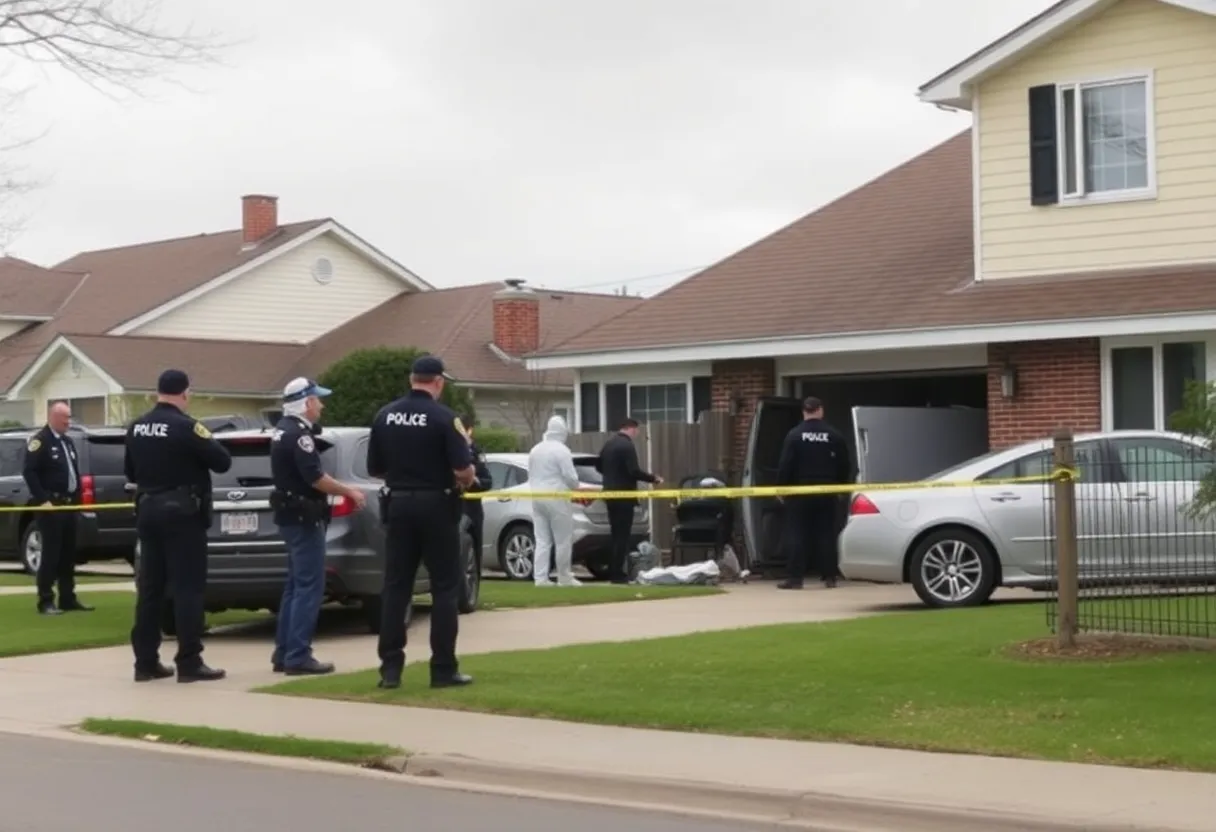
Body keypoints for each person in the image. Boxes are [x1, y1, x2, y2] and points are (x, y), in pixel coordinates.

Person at [366, 355, 476, 690]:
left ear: (412, 379)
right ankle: (443, 668)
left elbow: (375, 468)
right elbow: (462, 470)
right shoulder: (445, 418)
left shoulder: (385, 416)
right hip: (437, 505)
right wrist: (468, 476)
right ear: (438, 382)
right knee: (444, 587)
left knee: (396, 586)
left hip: (398, 504)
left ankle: (390, 668)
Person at [125, 369, 233, 683]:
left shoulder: (136, 427)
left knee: (150, 589)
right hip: (182, 513)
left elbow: (130, 471)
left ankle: (145, 662)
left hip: (147, 510)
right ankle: (189, 661)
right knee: (188, 588)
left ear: (157, 392)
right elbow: (222, 460)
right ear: (185, 393)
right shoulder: (187, 427)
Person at [269, 378, 367, 676]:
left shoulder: (281, 432)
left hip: (290, 516)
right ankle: (298, 655)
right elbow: (316, 478)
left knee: (295, 585)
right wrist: (349, 491)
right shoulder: (300, 436)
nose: (321, 405)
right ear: (306, 402)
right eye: (317, 400)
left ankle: (284, 651)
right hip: (303, 517)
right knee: (310, 587)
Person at [775, 397, 853, 590]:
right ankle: (830, 577)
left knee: (797, 534)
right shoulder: (834, 435)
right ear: (820, 410)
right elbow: (845, 464)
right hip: (827, 491)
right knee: (826, 534)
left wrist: (781, 488)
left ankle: (795, 578)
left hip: (799, 492)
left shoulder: (794, 435)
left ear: (804, 412)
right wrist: (842, 487)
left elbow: (785, 465)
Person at [22, 401, 91, 615]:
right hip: (50, 505)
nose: (68, 422)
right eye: (65, 418)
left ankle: (67, 598)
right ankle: (45, 600)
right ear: (53, 417)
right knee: (51, 554)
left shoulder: (68, 443)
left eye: (69, 417)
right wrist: (43, 499)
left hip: (68, 505)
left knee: (68, 554)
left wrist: (78, 499)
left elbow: (73, 473)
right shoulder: (40, 442)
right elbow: (29, 472)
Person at [597, 418, 661, 584]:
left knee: (615, 534)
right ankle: (618, 574)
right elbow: (633, 470)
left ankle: (614, 571)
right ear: (630, 429)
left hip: (609, 495)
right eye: (636, 430)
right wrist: (653, 478)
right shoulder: (627, 446)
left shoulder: (609, 444)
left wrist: (611, 475)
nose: (637, 433)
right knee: (623, 536)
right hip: (624, 496)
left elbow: (598, 466)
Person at [527, 415, 581, 587]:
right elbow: (571, 478)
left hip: (536, 498)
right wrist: (575, 486)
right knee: (563, 539)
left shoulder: (535, 450)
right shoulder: (562, 450)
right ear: (563, 431)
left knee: (542, 540)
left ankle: (540, 578)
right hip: (557, 497)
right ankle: (564, 576)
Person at [460, 415, 492, 578]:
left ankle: (474, 583)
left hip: (472, 509)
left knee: (475, 548)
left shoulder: (475, 453)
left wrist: (476, 480)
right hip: (455, 507)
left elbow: (488, 481)